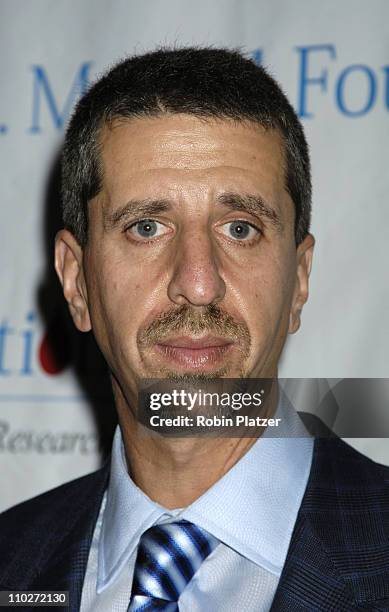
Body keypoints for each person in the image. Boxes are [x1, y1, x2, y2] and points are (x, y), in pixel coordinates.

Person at [0, 47, 388, 612]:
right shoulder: (10, 562)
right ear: (78, 281)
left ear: (299, 279)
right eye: (147, 226)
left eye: (240, 228)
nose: (199, 283)